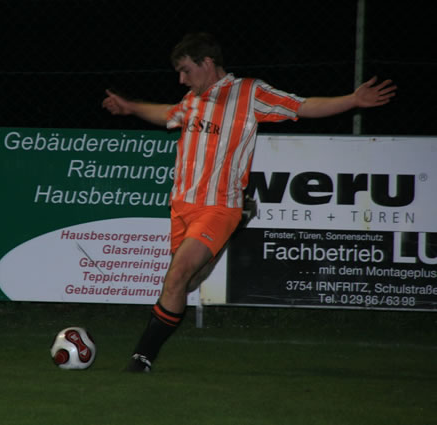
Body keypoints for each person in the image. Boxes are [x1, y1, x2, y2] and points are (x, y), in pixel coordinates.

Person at [102, 32, 396, 372]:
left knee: (178, 275)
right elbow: (168, 113)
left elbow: (301, 106)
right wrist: (131, 107)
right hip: (181, 204)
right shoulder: (192, 99)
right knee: (186, 282)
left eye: (185, 70)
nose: (181, 79)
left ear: (207, 63)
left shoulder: (248, 92)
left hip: (218, 206)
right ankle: (230, 235)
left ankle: (141, 358)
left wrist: (352, 100)